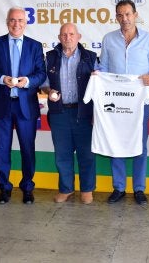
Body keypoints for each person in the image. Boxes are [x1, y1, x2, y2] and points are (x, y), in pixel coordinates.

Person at [97, 0, 149, 205]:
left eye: (128, 14)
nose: (124, 19)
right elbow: (104, 69)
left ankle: (139, 189)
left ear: (135, 15)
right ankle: (118, 187)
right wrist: (96, 75)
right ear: (116, 17)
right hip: (114, 103)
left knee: (139, 144)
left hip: (139, 103)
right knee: (115, 143)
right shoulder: (109, 39)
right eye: (120, 15)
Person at [0, 7, 46, 204]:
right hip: (2, 105)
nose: (16, 24)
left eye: (20, 20)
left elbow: (41, 74)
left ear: (26, 22)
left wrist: (27, 81)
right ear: (7, 22)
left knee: (28, 148)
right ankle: (4, 188)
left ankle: (27, 187)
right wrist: (2, 79)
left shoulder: (35, 46)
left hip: (26, 105)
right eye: (12, 20)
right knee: (2, 149)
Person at [42, 23, 97, 204]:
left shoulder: (91, 58)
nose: (68, 38)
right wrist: (49, 91)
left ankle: (87, 189)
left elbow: (100, 85)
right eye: (64, 34)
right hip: (59, 113)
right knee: (62, 154)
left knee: (86, 153)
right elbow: (43, 82)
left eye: (71, 34)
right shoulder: (49, 57)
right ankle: (66, 189)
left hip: (84, 112)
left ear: (79, 37)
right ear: (59, 38)